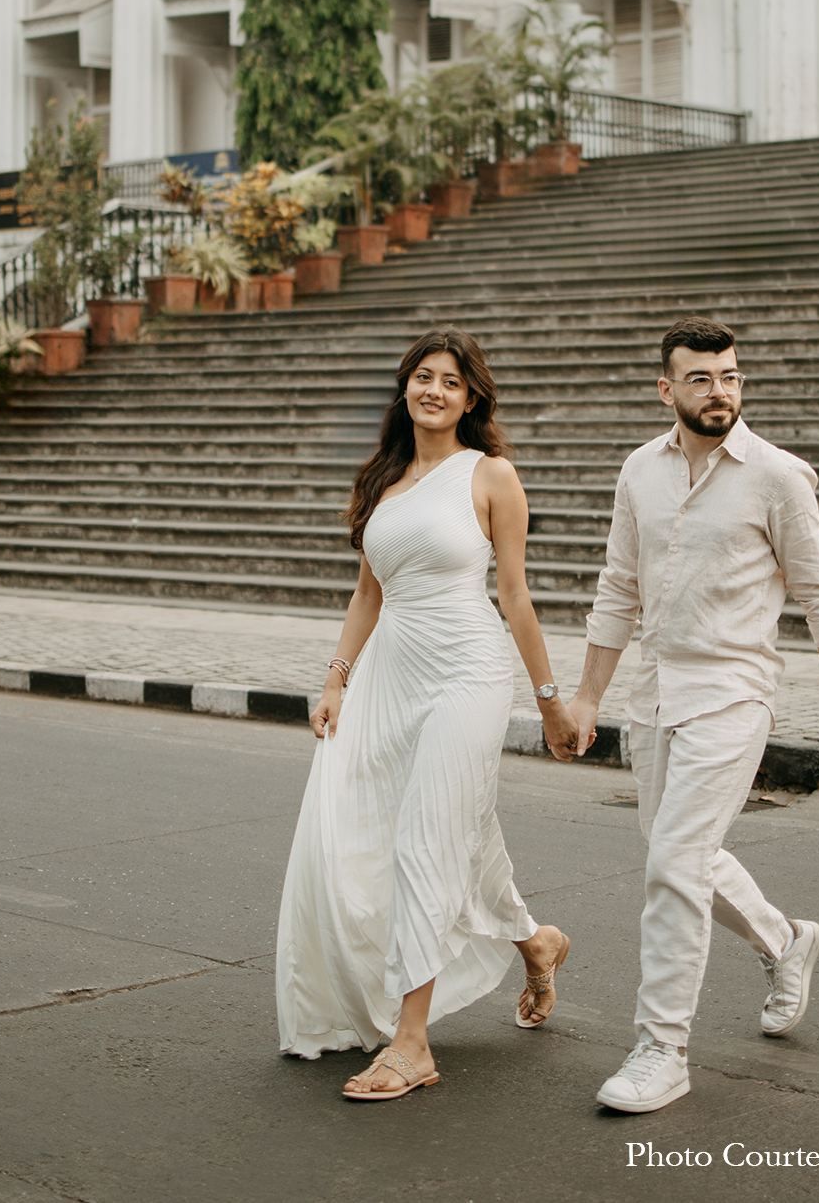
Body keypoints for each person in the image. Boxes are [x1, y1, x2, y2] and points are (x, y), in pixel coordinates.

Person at [565, 315, 819, 1115]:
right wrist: (587, 696)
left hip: (733, 694)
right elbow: (618, 589)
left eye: (733, 376)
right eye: (703, 378)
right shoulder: (640, 470)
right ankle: (785, 941)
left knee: (673, 863)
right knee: (683, 854)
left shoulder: (777, 477)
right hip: (656, 695)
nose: (721, 392)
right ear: (667, 388)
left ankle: (661, 1049)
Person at [276, 328, 578, 1099]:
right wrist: (336, 678)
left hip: (467, 673)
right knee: (442, 830)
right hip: (389, 676)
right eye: (422, 376)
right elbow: (368, 591)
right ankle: (535, 942)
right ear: (405, 387)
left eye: (451, 380)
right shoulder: (383, 479)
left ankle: (412, 1044)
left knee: (426, 836)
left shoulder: (492, 476)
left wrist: (550, 702)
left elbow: (514, 596)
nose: (434, 389)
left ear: (471, 397)